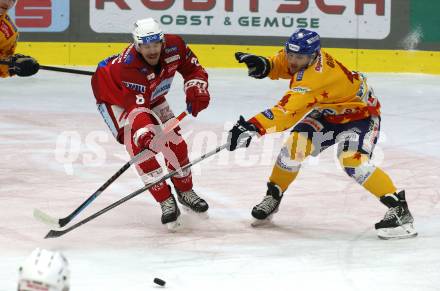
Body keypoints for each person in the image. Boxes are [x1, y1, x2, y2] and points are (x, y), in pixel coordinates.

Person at [228, 28, 417, 240]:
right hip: (328, 113)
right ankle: (273, 196)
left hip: (359, 117)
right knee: (293, 149)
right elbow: (283, 63)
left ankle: (399, 209)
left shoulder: (316, 79)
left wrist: (253, 126)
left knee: (352, 161)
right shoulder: (303, 56)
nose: (293, 60)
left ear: (313, 55)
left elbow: (286, 112)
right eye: (290, 54)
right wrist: (267, 65)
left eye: (298, 57)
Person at [91, 18, 210, 230]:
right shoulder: (129, 68)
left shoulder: (176, 46)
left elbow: (193, 70)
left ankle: (185, 191)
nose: (152, 50)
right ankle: (165, 199)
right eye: (145, 46)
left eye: (155, 44)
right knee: (141, 149)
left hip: (152, 92)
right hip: (116, 99)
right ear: (137, 45)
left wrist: (196, 88)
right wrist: (145, 134)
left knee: (175, 142)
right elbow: (136, 110)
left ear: (162, 41)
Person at [0, 0, 39, 78]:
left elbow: (2, 62)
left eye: (13, 0)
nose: (8, 2)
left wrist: (12, 66)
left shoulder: (9, 32)